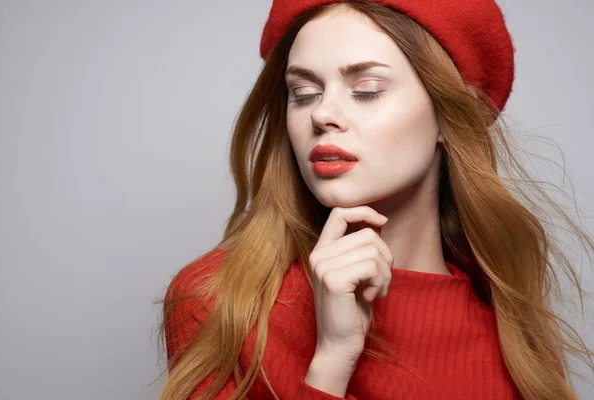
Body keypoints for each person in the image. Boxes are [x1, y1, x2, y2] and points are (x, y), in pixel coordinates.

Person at [157, 0, 594, 399]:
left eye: (366, 89)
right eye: (303, 93)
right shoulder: (222, 304)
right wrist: (332, 361)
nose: (322, 114)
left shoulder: (518, 350)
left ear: (450, 116)